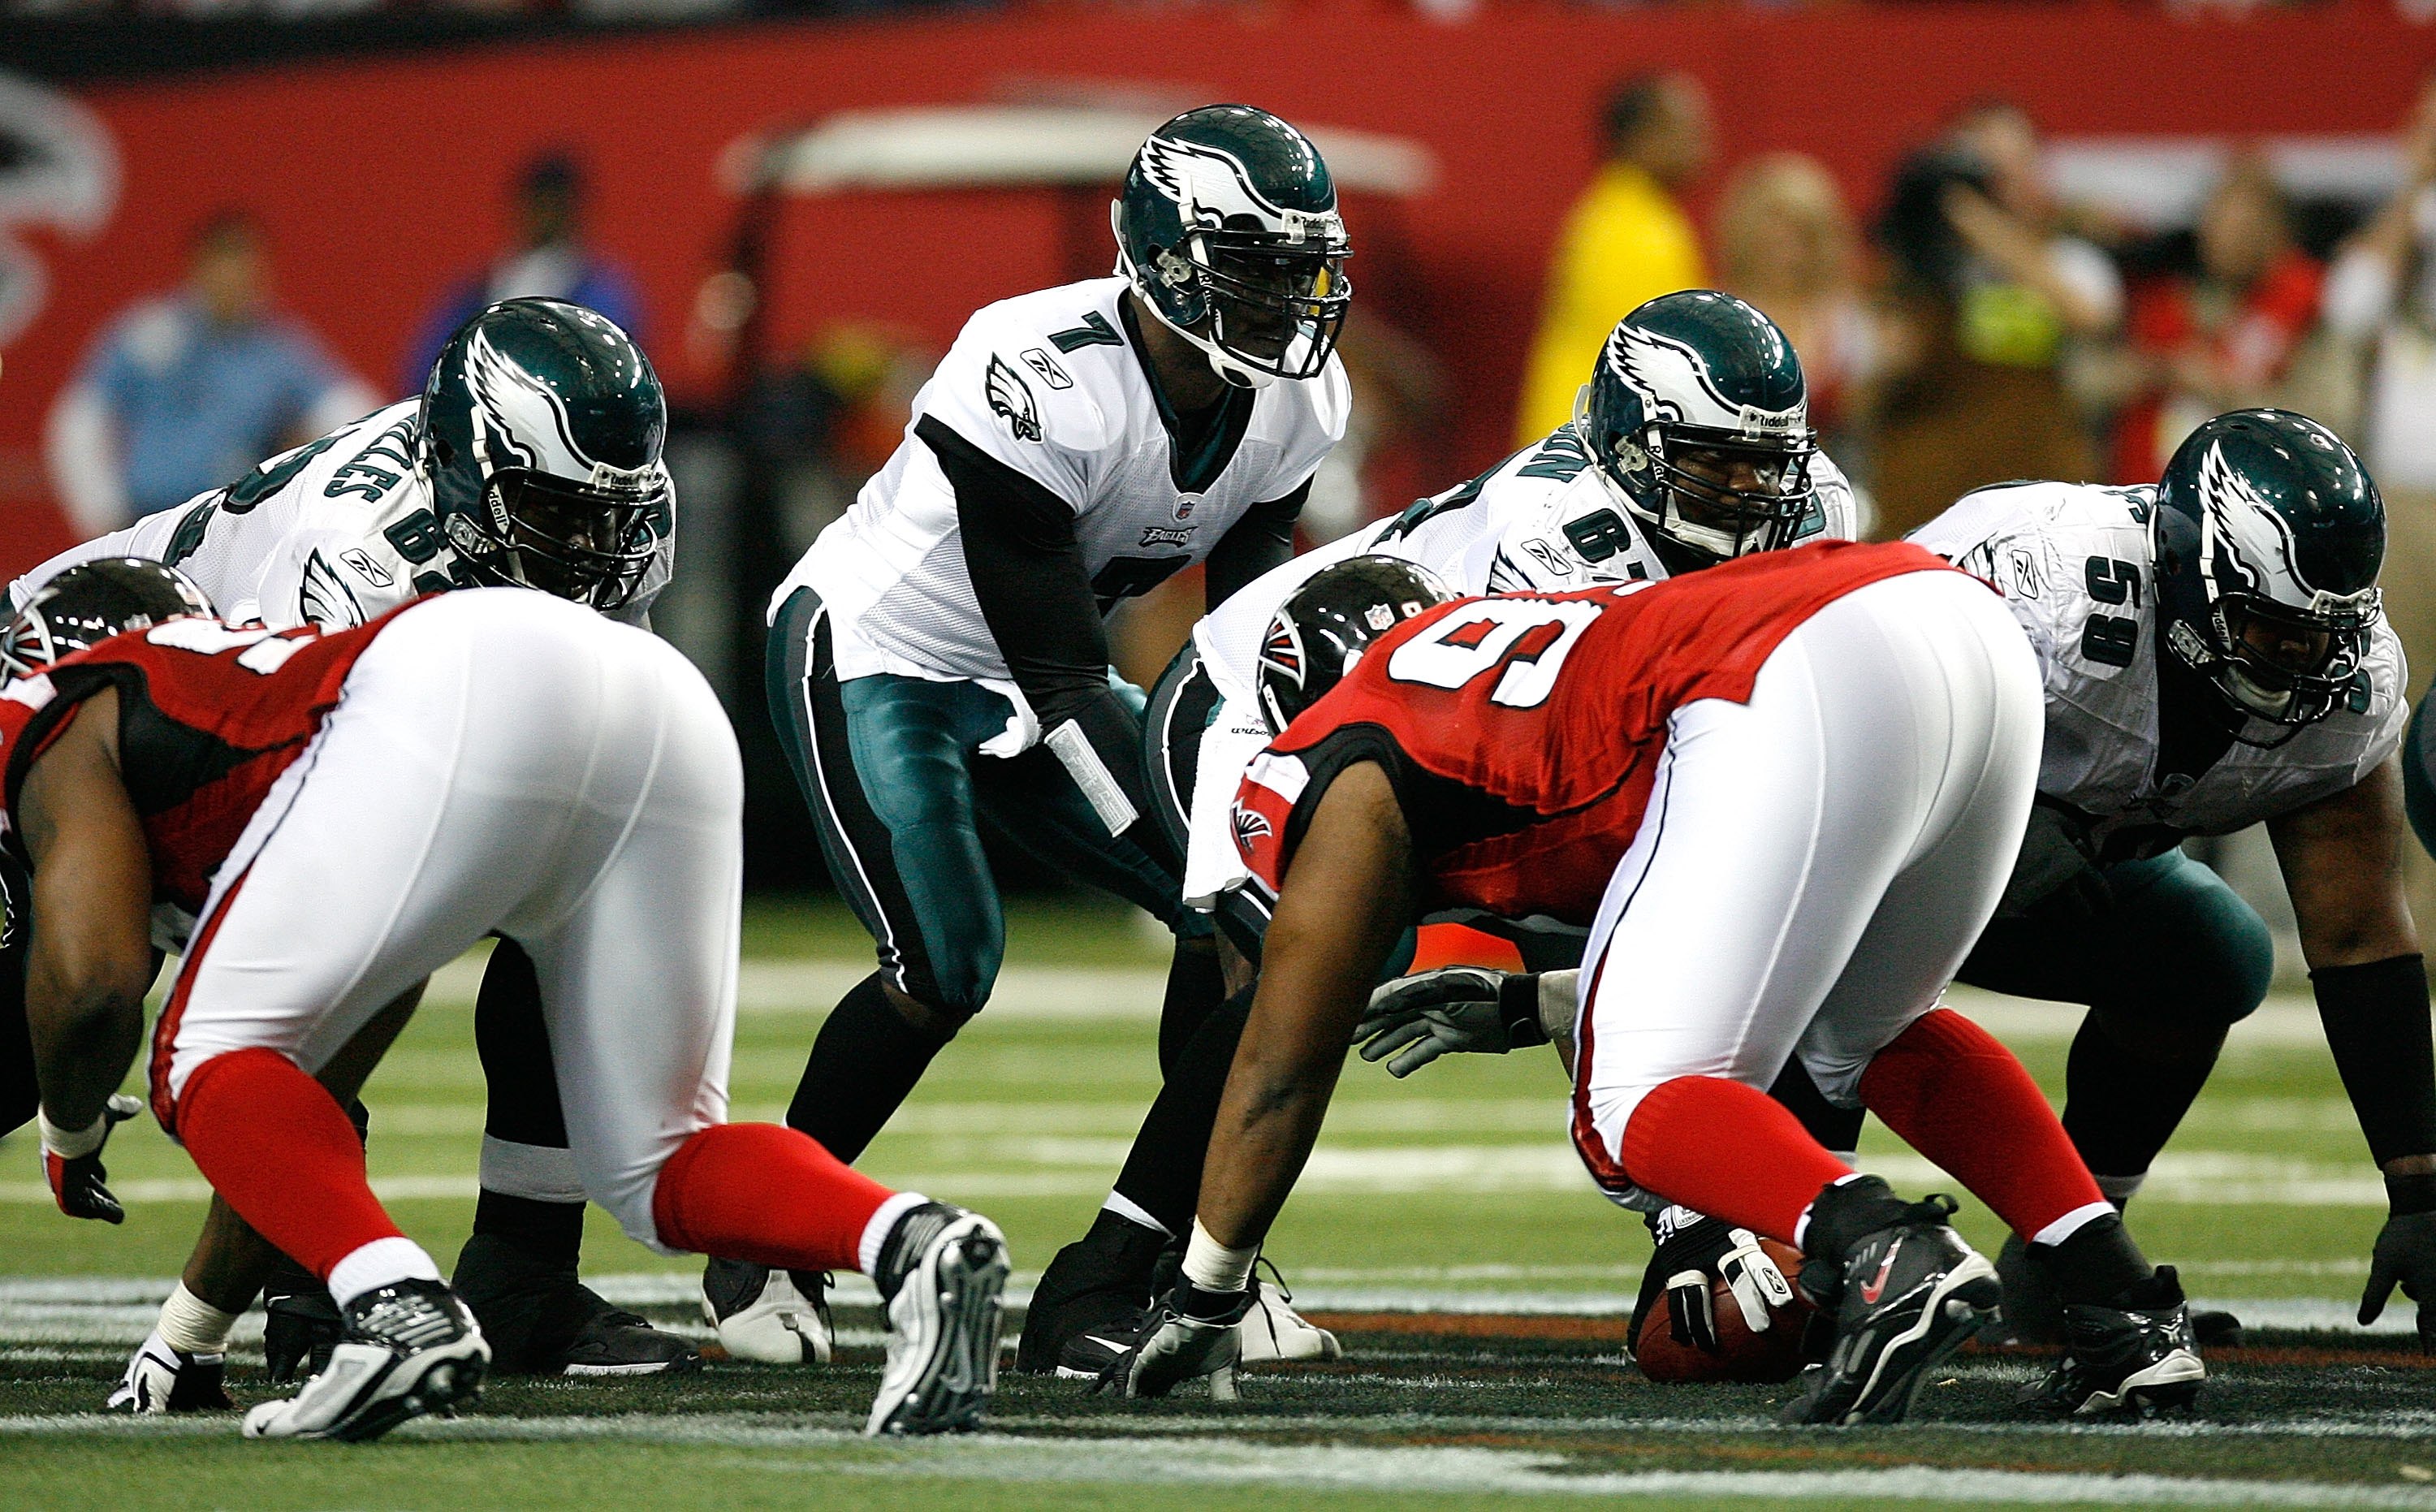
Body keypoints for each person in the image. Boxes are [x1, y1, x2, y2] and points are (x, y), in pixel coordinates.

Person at [1383, 409, 2430, 1358]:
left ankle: (2074, 1257)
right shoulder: (2038, 584)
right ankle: (1844, 1232)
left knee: (2210, 954)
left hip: (2018, 871)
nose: (2299, 663)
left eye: (2321, 635)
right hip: (1860, 837)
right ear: (2187, 570)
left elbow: (2355, 930)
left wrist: (2419, 1185)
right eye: (2267, 627)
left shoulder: (2346, 686)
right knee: (1720, 1333)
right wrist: (1576, 982)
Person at [1108, 543, 2202, 1422]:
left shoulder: (1343, 747)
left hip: (1793, 679)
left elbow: (1283, 1056)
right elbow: (1702, 913)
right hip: (1952, 626)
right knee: (1871, 1036)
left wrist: (1208, 1288)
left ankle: (1885, 1251)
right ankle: (2125, 1315)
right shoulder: (1519, 653)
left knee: (1628, 1108)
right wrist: (1533, 1000)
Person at [1018, 289, 1864, 1376]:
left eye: (1767, 463)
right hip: (1276, 697)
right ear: (1632, 445)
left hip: (1457, 728)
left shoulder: (1815, 508)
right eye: (1711, 462)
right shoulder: (1556, 544)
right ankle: (1100, 1281)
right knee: (1303, 983)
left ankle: (1728, 1216)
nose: (1751, 491)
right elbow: (1591, 826)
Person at [6, 564, 1008, 1441]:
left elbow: (94, 986)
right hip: (654, 693)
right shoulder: (237, 691)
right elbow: (313, 1074)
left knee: (193, 1055)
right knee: (660, 1164)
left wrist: (72, 1122)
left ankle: (400, 1312)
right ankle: (916, 1243)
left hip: (458, 683)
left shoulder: (52, 697)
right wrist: (191, 1333)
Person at [737, 104, 1350, 1365]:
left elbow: (1235, 648)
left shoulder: (1295, 404)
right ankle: (763, 1242)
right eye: (1254, 265)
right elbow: (1068, 675)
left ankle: (1178, 1255)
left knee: (1247, 921)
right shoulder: (1036, 366)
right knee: (947, 957)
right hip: (887, 651)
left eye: (1301, 267)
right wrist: (1196, 845)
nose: (1287, 297)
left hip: (1038, 675)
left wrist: (1258, 822)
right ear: (1166, 254)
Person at [15, 297, 693, 1398]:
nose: (588, 546)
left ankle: (522, 1272)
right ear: (474, 467)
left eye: (602, 514)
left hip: (231, 747)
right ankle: (304, 1281)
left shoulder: (615, 518)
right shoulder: (356, 563)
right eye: (551, 509)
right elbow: (311, 915)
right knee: (77, 1015)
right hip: (80, 727)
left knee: (592, 869)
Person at [1870, 101, 2123, 539]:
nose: (1998, 187)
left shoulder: (2070, 257)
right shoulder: (1917, 269)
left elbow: (2089, 314)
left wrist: (1978, 223)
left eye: (2010, 168)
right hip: (1929, 493)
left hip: (2041, 492)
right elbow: (1881, 364)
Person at [45, 211, 377, 537]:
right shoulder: (150, 334)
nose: (234, 277)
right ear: (198, 266)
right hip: (146, 519)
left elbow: (350, 411)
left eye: (245, 264)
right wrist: (100, 514)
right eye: (224, 262)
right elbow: (81, 419)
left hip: (231, 528)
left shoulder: (277, 351)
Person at [1513, 73, 1713, 445]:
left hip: (1580, 437)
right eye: (1687, 130)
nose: (1704, 144)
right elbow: (1654, 360)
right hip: (1597, 446)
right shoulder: (1637, 232)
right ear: (1642, 137)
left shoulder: (1615, 215)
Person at [2111, 155, 2323, 485]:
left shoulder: (2309, 308)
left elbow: (2327, 419)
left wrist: (2223, 390)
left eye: (2246, 226)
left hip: (2256, 501)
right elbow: (2089, 382)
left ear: (2278, 233)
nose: (2230, 237)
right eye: (2220, 221)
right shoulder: (2160, 301)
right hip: (2147, 498)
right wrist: (2156, 369)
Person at [402, 153, 645, 394]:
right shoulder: (478, 289)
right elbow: (426, 367)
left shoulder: (600, 294)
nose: (546, 216)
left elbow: (609, 373)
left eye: (557, 206)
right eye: (539, 204)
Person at [1711, 152, 1881, 464]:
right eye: (1772, 236)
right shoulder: (1716, 320)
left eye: (1800, 236)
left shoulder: (1846, 322)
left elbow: (1865, 418)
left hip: (1833, 471)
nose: (1786, 252)